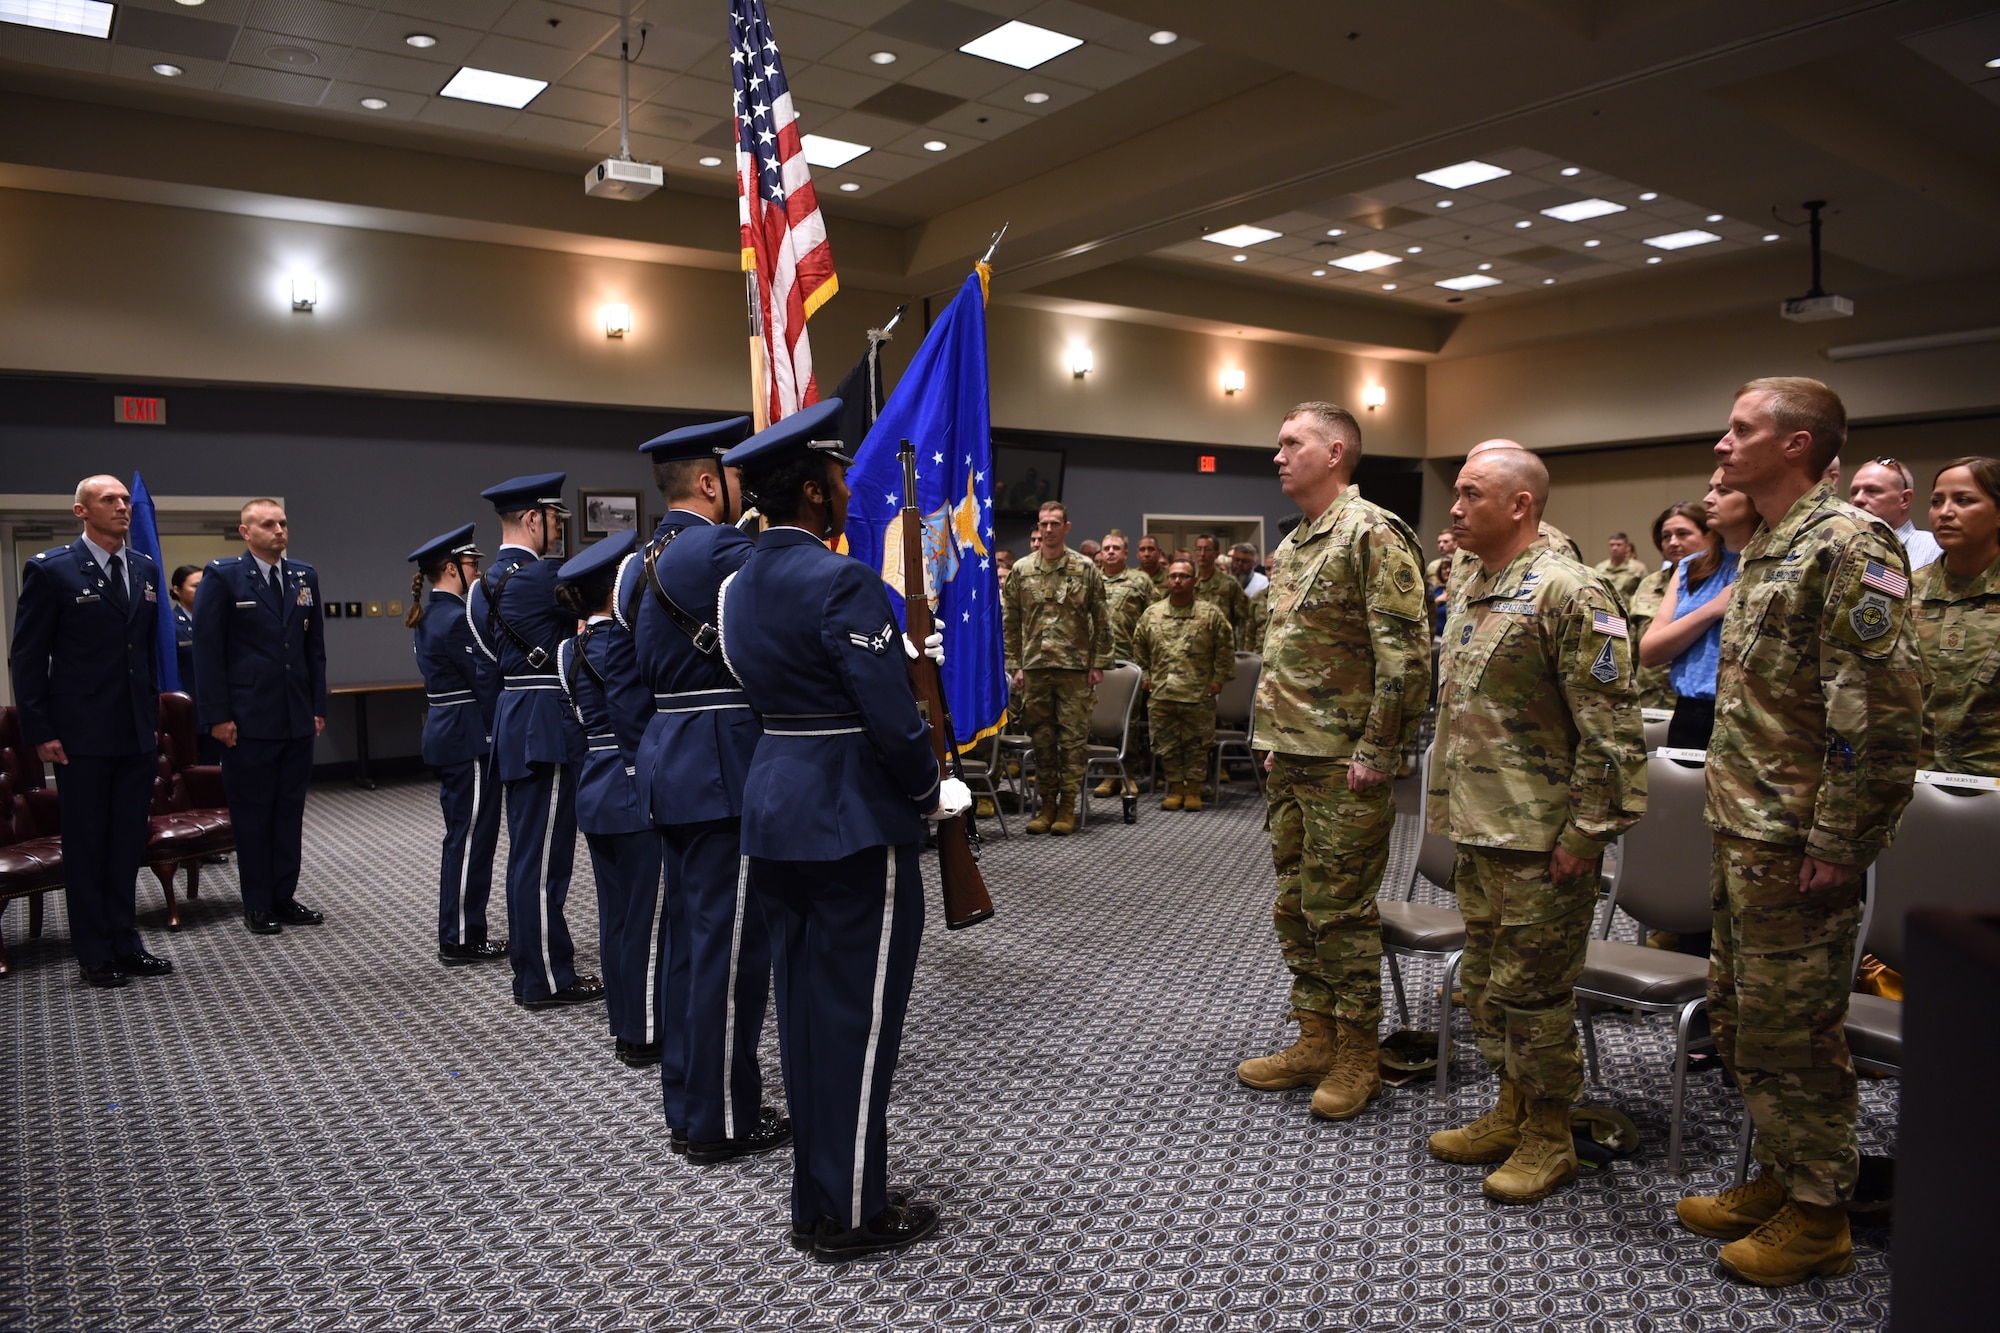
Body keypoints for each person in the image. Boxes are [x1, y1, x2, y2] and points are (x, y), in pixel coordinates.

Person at [1677, 377, 1922, 1287]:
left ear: (1795, 444)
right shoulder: (1772, 543)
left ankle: (1821, 1214)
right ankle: (1783, 1176)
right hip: (1746, 824)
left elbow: (1880, 712)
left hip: (1800, 841)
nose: (1721, 444)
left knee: (1800, 1030)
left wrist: (1838, 840)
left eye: (1740, 429)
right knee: (1745, 1021)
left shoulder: (1852, 544)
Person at [717, 398, 967, 1262]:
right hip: (855, 814)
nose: (844, 491)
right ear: (819, 494)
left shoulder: (738, 582)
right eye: (838, 478)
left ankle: (818, 1195)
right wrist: (932, 789)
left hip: (776, 803)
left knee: (805, 1014)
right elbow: (892, 719)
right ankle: (851, 1209)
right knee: (859, 1022)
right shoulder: (842, 580)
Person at [1425, 447, 1645, 1202]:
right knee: (1486, 985)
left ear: (1521, 504)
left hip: (1543, 839)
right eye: (1454, 493)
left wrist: (1586, 835)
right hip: (1480, 825)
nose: (1453, 509)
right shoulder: (1474, 582)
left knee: (1535, 993)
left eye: (1470, 494)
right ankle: (1513, 1108)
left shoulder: (1573, 591)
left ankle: (1552, 1132)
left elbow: (1611, 734)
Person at [1239, 402, 1430, 1122]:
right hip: (1291, 754)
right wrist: (1270, 738)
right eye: (1279, 443)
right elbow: (1289, 654)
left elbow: (1406, 656)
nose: (1278, 455)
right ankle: (1313, 1035)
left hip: (1346, 761)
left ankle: (1358, 1050)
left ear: (1337, 450)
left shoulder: (1372, 532)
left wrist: (1379, 749)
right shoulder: (1292, 547)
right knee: (1295, 903)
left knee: (1341, 910)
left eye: (1293, 443)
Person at [629, 417, 788, 1158]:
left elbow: (630, 686)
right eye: (733, 476)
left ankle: (688, 1102)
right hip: (724, 760)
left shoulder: (641, 560)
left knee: (688, 944)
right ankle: (723, 1118)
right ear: (707, 481)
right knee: (729, 952)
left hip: (668, 755)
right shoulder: (722, 548)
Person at [8, 475, 172, 988]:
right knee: (87, 844)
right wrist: (40, 730)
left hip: (135, 731)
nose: (123, 507)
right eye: (110, 500)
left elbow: (143, 654)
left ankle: (127, 941)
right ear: (81, 511)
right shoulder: (52, 570)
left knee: (126, 842)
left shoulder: (143, 567)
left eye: (126, 499)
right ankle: (94, 950)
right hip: (80, 733)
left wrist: (153, 719)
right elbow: (28, 657)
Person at [467, 474, 604, 1010]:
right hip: (546, 721)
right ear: (532, 519)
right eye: (554, 520)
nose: (556, 531)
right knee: (545, 858)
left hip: (513, 714)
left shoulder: (483, 585)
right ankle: (545, 976)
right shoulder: (545, 577)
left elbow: (484, 658)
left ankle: (534, 966)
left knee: (527, 854)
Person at [552, 530, 669, 1072]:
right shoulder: (622, 643)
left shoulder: (568, 650)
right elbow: (635, 723)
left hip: (594, 788)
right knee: (643, 919)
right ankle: (645, 1031)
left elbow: (581, 726)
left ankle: (625, 1023)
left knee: (615, 917)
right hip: (629, 786)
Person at [193, 498, 328, 936]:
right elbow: (208, 652)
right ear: (245, 532)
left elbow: (314, 649)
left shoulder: (303, 575)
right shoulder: (224, 576)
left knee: (289, 812)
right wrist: (216, 715)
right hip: (246, 719)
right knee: (253, 814)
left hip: (294, 716)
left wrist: (316, 707)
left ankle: (283, 896)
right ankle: (257, 903)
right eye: (268, 525)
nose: (279, 531)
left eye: (283, 523)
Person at [406, 525, 505, 967]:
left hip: (451, 731)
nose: (479, 571)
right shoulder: (455, 618)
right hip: (468, 736)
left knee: (463, 835)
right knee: (469, 839)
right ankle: (462, 936)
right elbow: (484, 682)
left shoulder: (432, 615)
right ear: (451, 569)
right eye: (472, 564)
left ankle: (463, 930)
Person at [1001, 499, 1111, 835]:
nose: (1048, 529)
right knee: (1043, 740)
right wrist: (1014, 664)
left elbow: (1102, 618)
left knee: (1072, 742)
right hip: (1034, 668)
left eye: (1055, 523)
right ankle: (1046, 805)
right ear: (1038, 528)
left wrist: (1099, 664)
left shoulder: (1084, 568)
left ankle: (1067, 808)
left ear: (1066, 528)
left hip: (1075, 669)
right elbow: (1011, 622)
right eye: (1043, 524)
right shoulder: (1021, 569)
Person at [1639, 476, 1754, 752]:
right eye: (1710, 489)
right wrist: (1712, 609)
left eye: (1722, 491)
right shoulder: (1691, 568)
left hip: (1749, 716)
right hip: (1692, 714)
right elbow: (1649, 652)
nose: (1708, 499)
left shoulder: (1774, 564)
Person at [1914, 457, 2000, 776]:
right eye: (1937, 501)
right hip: (1915, 782)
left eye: (1963, 500)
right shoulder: (1904, 591)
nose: (1945, 512)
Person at [1132, 558, 1234, 812]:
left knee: (1197, 744)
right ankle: (1176, 788)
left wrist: (1219, 678)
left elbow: (1226, 648)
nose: (1178, 580)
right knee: (1167, 744)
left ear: (1195, 581)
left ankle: (1193, 790)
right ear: (1168, 580)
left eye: (1184, 576)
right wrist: (1145, 676)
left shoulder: (1210, 614)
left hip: (1198, 692)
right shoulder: (1152, 614)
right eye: (1174, 576)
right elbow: (1139, 648)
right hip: (1162, 691)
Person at [1093, 531, 1157, 798]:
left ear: (1125, 553)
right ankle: (1110, 775)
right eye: (1106, 547)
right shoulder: (1092, 579)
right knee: (1103, 719)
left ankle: (1128, 774)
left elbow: (1156, 619)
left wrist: (1151, 666)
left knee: (1129, 721)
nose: (1110, 551)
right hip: (1100, 662)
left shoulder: (1140, 580)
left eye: (1115, 547)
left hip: (1131, 662)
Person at [1629, 504, 1706, 712]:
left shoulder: (1718, 586)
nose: (1673, 542)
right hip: (1648, 703)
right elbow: (1631, 651)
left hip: (1695, 705)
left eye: (1683, 534)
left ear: (1709, 536)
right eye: (1666, 536)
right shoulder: (1648, 584)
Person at [1848, 456, 1943, 571]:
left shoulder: (1936, 550)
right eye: (1854, 492)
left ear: (1904, 499)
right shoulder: (1843, 547)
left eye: (1872, 491)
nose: (1858, 499)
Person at [1190, 534, 1252, 647]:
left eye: (1207, 549)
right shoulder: (1189, 582)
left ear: (1216, 554)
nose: (1202, 554)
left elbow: (1245, 621)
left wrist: (1243, 652)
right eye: (1199, 549)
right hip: (1194, 649)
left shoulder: (1229, 584)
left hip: (1222, 649)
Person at [1593, 533, 1644, 604]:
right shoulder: (1600, 567)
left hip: (1627, 612)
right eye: (1612, 545)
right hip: (1605, 611)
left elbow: (1645, 592)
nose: (1614, 548)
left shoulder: (1638, 568)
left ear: (1627, 547)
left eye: (1619, 545)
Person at [1426, 531, 1456, 636]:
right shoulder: (1433, 566)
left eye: (1445, 541)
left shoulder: (1465, 564)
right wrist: (1438, 600)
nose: (1441, 545)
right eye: (1439, 542)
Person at [1135, 533, 1170, 599]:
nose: (1146, 554)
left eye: (1151, 549)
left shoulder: (1171, 577)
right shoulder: (1131, 579)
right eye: (1142, 550)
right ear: (1137, 554)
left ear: (1159, 552)